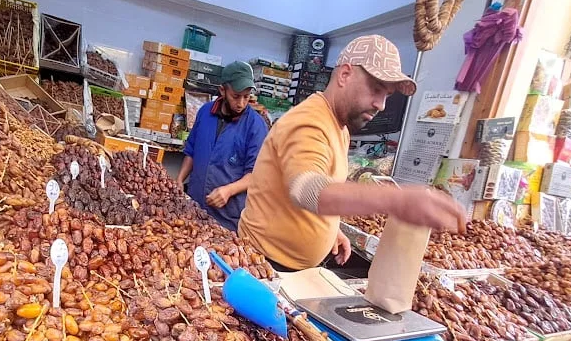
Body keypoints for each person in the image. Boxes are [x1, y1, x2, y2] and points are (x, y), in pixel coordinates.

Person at [238, 35, 467, 271]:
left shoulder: (339, 126)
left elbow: (321, 182)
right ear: (345, 75)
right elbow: (306, 189)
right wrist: (397, 200)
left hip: (293, 265)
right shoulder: (308, 122)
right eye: (376, 89)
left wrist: (331, 229)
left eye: (387, 95)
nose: (381, 105)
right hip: (266, 264)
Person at [177, 61, 268, 231]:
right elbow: (191, 151)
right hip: (193, 208)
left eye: (246, 97)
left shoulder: (256, 126)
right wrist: (180, 179)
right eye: (236, 96)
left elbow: (256, 175)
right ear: (222, 90)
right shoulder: (205, 112)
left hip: (226, 218)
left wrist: (228, 190)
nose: (241, 103)